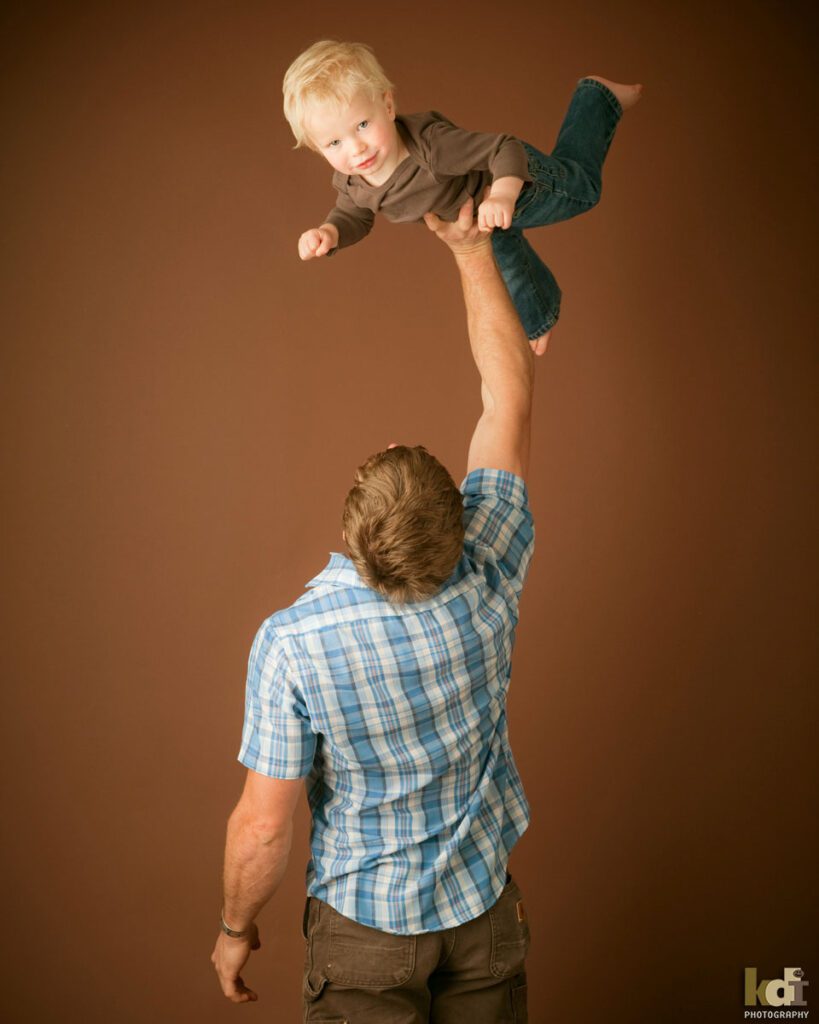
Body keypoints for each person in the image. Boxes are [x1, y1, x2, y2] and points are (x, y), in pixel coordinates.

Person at [211, 198, 539, 1022]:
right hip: (483, 918)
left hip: (365, 935)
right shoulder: (489, 566)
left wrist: (233, 929)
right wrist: (468, 252)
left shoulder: (294, 643)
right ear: (456, 525)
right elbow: (507, 402)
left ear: (351, 528)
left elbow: (261, 827)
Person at [284, 39, 642, 354]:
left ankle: (596, 97)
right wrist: (329, 233)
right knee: (507, 259)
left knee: (584, 189)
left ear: (388, 106)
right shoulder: (352, 180)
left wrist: (503, 194)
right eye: (334, 143)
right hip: (477, 215)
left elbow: (504, 147)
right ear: (319, 149)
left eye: (362, 125)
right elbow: (353, 216)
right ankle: (541, 318)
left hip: (518, 183)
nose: (357, 148)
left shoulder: (432, 148)